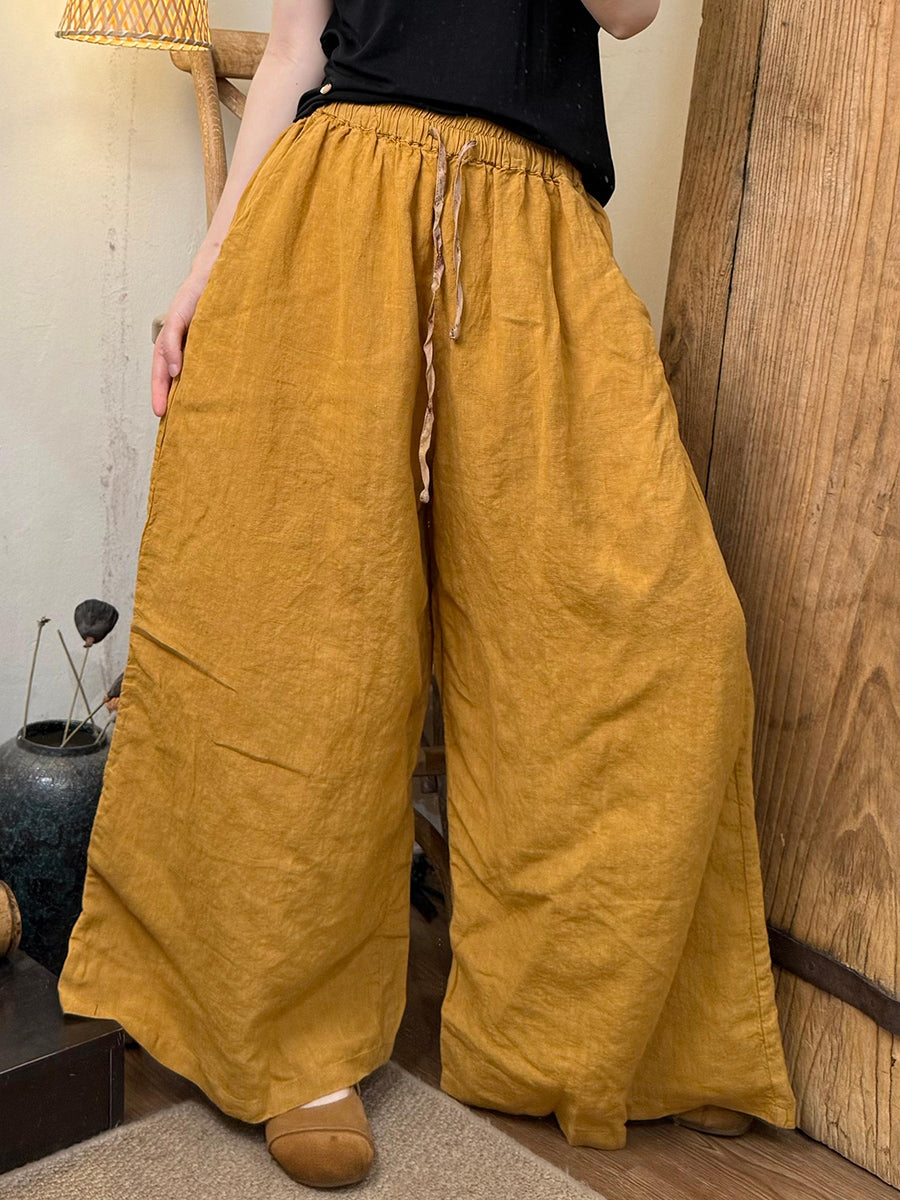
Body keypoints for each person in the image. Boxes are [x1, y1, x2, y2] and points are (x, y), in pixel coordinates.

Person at [57, 0, 798, 1188]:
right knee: (305, 640)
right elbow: (297, 51)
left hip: (540, 231)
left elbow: (631, 13)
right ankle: (291, 1049)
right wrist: (206, 270)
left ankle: (596, 1032)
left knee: (662, 637)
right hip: (338, 212)